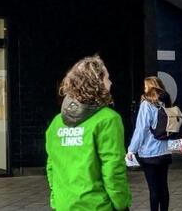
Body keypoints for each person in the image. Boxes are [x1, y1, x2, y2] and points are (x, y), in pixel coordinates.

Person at [44, 55, 131, 211]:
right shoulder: (108, 119)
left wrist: (55, 197)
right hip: (97, 205)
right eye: (107, 78)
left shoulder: (57, 122)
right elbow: (113, 168)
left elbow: (51, 165)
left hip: (64, 203)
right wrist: (121, 203)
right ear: (96, 84)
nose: (110, 82)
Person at [128, 76, 174, 211]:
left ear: (150, 88)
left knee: (153, 189)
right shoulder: (166, 102)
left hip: (149, 153)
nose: (144, 90)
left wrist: (132, 149)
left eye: (145, 87)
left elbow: (141, 129)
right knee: (163, 187)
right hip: (165, 151)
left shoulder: (146, 104)